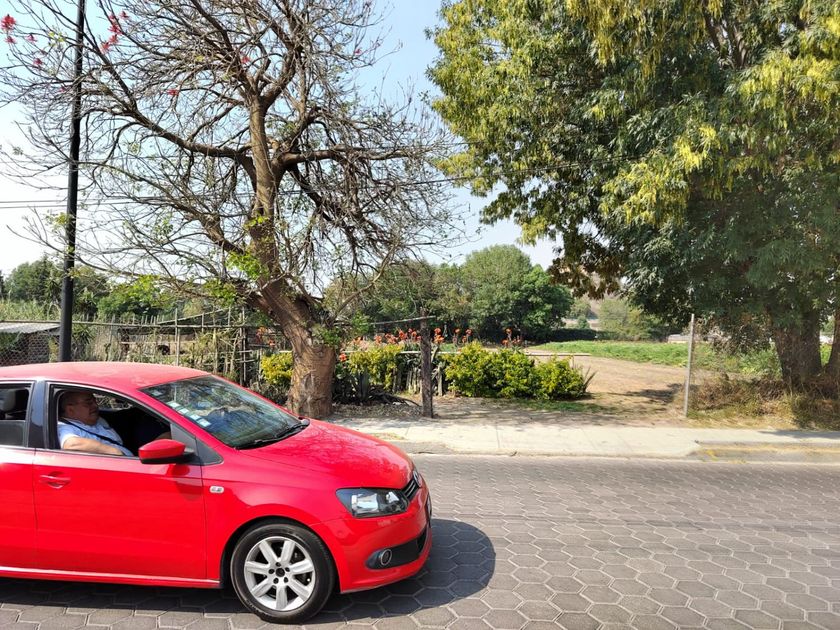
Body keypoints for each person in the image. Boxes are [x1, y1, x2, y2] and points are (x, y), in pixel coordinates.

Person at [57, 391, 133, 456]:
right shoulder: (64, 428)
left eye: (95, 401)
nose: (95, 405)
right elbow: (71, 444)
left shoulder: (97, 419)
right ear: (70, 410)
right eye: (88, 403)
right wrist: (115, 452)